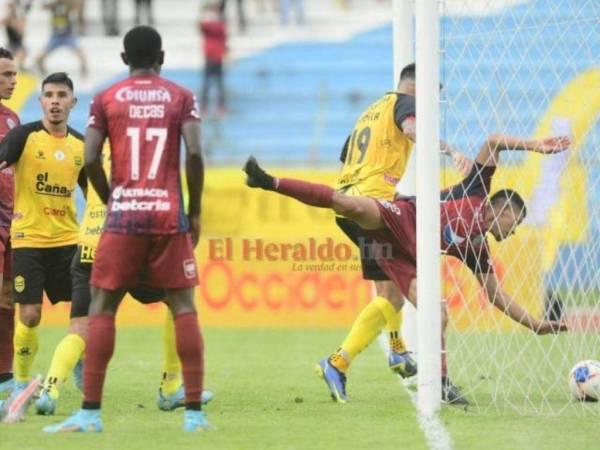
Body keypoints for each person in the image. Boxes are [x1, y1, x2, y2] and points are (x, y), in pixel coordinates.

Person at [243, 132, 570, 404]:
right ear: (504, 209)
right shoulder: (477, 188)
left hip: (404, 257)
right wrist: (537, 147)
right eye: (516, 222)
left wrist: (535, 324)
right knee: (348, 204)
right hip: (402, 218)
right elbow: (494, 141)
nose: (513, 232)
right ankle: (270, 181)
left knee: (433, 311)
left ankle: (434, 380)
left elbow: (496, 295)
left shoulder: (477, 249)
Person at [44, 25, 208, 433]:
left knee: (101, 310)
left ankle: (90, 413)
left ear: (123, 60)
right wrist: (196, 210)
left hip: (124, 217)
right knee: (183, 306)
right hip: (168, 214)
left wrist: (112, 197)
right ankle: (192, 414)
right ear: (162, 58)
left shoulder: (105, 98)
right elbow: (197, 154)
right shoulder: (181, 97)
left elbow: (91, 158)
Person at [35, 147, 214, 415]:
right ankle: (170, 387)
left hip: (87, 247)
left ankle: (49, 390)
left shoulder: (92, 147)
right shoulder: (142, 149)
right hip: (127, 246)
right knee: (178, 300)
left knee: (80, 329)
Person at [329, 63, 471, 395]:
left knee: (390, 294)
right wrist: (451, 150)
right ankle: (439, 381)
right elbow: (412, 130)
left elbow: (345, 155)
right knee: (430, 299)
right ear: (418, 90)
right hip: (374, 210)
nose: (429, 108)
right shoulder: (406, 104)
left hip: (351, 205)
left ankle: (393, 349)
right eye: (430, 100)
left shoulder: (370, 112)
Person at [0, 72, 85, 404]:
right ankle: (21, 384)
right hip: (29, 239)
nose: (54, 101)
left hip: (68, 240)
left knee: (83, 311)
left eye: (61, 95)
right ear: (40, 102)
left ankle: (76, 354)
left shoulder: (81, 144)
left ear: (72, 102)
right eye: (48, 95)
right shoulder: (24, 135)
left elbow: (96, 194)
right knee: (30, 315)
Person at [0, 48, 20, 405]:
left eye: (14, 74)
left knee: (7, 297)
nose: (12, 80)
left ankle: (4, 375)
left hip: (10, 221)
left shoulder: (13, 118)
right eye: (5, 74)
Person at [36, 0, 88, 78]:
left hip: (68, 36)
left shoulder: (68, 5)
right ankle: (42, 73)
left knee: (81, 55)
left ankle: (84, 73)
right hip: (56, 37)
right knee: (39, 58)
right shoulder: (54, 5)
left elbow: (79, 6)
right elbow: (43, 7)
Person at [199, 1, 227, 117]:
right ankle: (213, 107)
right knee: (214, 83)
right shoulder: (218, 24)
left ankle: (210, 106)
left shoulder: (215, 25)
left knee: (212, 83)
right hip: (213, 56)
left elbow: (201, 26)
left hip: (213, 56)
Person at [2, 1, 31, 70]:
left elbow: (22, 34)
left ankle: (21, 68)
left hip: (18, 44)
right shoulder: (7, 20)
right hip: (11, 44)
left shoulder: (19, 20)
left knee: (21, 53)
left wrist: (19, 25)